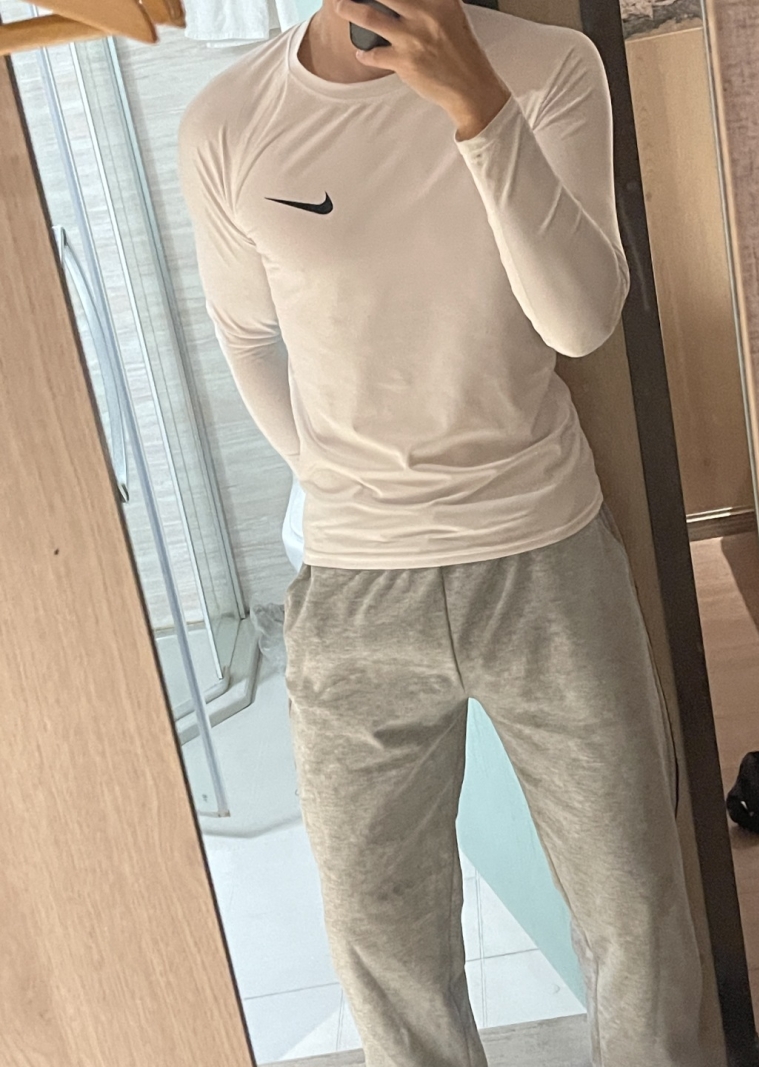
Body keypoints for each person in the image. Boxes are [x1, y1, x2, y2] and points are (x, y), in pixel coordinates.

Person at [178, 1, 709, 1063]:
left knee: (635, 908)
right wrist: (334, 477)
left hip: (545, 556)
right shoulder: (227, 119)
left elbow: (580, 321)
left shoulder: (550, 68)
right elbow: (245, 336)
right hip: (352, 586)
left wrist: (478, 106)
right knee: (383, 944)